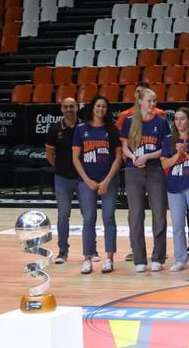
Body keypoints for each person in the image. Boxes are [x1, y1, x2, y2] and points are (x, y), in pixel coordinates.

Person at [120, 86, 169, 273]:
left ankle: (158, 257)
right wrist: (133, 157)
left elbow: (165, 149)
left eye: (154, 101)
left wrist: (147, 157)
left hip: (155, 170)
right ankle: (139, 259)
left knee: (159, 215)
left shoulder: (162, 122)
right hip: (133, 172)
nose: (153, 104)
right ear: (140, 101)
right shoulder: (130, 121)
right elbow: (124, 147)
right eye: (149, 100)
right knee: (136, 215)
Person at [71, 95, 120, 274]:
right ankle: (87, 258)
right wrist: (86, 180)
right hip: (87, 181)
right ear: (92, 108)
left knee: (109, 218)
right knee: (89, 219)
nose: (101, 109)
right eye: (98, 106)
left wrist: (106, 180)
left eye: (104, 107)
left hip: (109, 180)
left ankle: (109, 258)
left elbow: (118, 157)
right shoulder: (80, 129)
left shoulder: (112, 130)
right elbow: (76, 159)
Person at [162, 108, 189, 273]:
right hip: (174, 187)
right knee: (178, 226)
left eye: (182, 118)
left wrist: (186, 152)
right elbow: (164, 164)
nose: (178, 122)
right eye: (176, 119)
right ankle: (180, 259)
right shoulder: (169, 140)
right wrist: (177, 154)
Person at [45, 96, 80, 264]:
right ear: (61, 109)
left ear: (77, 107)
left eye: (72, 106)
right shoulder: (54, 129)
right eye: (66, 107)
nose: (69, 109)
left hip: (82, 178)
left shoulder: (84, 127)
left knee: (89, 215)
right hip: (62, 179)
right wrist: (61, 167)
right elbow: (50, 155)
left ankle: (92, 251)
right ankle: (62, 252)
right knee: (63, 216)